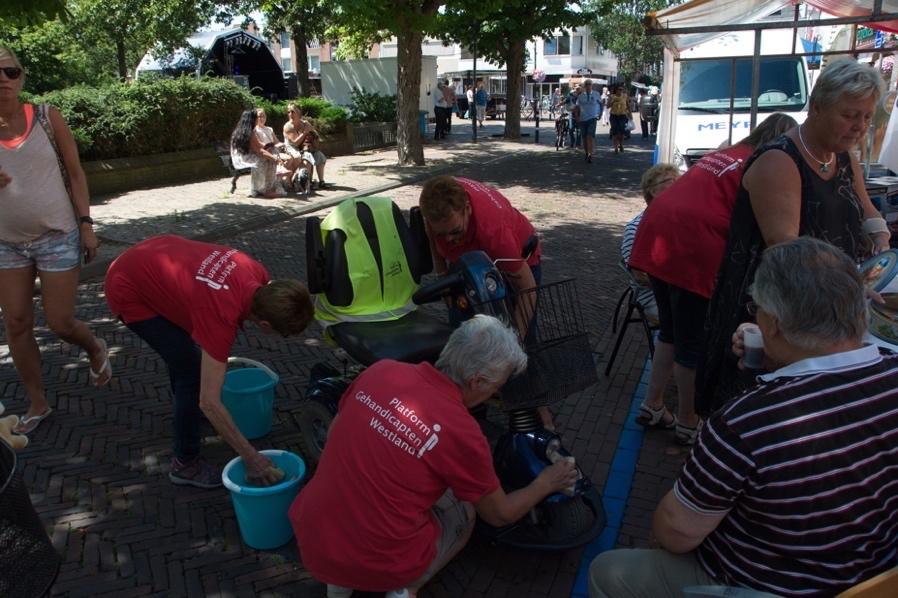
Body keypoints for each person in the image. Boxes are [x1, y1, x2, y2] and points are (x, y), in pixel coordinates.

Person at [589, 237, 898, 598]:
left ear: (776, 324)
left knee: (609, 571)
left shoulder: (744, 423)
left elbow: (676, 532)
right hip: (870, 578)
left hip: (764, 585)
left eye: (758, 309)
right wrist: (778, 359)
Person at [291, 315, 578, 598]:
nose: (497, 393)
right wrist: (545, 483)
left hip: (313, 535)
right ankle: (405, 589)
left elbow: (333, 436)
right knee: (467, 511)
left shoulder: (381, 371)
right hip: (379, 563)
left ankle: (339, 587)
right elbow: (499, 514)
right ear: (477, 381)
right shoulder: (463, 432)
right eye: (497, 386)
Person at [697, 58, 888, 416]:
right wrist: (849, 286)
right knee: (765, 407)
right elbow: (787, 249)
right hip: (778, 305)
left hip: (825, 298)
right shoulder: (779, 161)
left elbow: (865, 208)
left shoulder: (842, 157)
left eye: (866, 116)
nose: (860, 126)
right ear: (816, 106)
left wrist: (881, 240)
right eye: (850, 115)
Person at [629, 114, 797, 445]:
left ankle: (652, 404)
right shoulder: (764, 164)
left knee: (671, 332)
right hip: (691, 247)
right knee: (692, 344)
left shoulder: (725, 154)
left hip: (659, 235)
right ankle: (688, 421)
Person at [104, 235, 314, 488]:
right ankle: (185, 464)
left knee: (184, 360)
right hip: (127, 285)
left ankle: (187, 411)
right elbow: (210, 402)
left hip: (156, 259)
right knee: (191, 373)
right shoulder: (220, 316)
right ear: (265, 324)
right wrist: (251, 457)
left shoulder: (258, 273)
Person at [0, 46, 112, 435]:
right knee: (15, 322)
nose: (4, 79)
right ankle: (37, 402)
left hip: (57, 235)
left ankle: (94, 348)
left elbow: (77, 174)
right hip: (6, 241)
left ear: (21, 77)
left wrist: (85, 223)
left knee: (61, 322)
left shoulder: (47, 117)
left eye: (11, 72)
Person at [418, 176, 555, 430]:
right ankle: (466, 407)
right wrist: (442, 275)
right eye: (443, 234)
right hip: (468, 266)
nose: (450, 240)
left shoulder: (494, 231)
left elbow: (527, 287)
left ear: (466, 209)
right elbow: (433, 240)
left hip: (514, 262)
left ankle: (541, 411)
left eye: (455, 232)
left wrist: (512, 342)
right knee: (462, 338)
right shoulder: (435, 214)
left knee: (523, 343)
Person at [620, 163, 680, 321]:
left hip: (678, 293)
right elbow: (640, 277)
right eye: (670, 180)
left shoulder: (680, 222)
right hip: (655, 297)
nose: (677, 183)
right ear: (652, 191)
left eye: (679, 179)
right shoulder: (636, 228)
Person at [231, 108, 285, 198]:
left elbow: (260, 146)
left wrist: (269, 147)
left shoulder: (248, 130)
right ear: (251, 119)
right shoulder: (249, 132)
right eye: (256, 117)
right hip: (242, 158)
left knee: (269, 156)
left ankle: (268, 187)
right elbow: (259, 151)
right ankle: (262, 189)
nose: (258, 119)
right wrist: (275, 158)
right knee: (264, 160)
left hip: (247, 155)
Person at [255, 108, 302, 190]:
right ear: (255, 118)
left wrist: (283, 145)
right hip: (265, 152)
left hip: (274, 151)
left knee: (291, 158)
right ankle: (281, 180)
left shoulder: (269, 129)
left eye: (263, 116)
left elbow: (276, 142)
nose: (261, 118)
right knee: (287, 159)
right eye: (259, 116)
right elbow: (259, 144)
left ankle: (284, 180)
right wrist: (271, 146)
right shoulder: (255, 130)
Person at [283, 103, 327, 191]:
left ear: (299, 113)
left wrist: (313, 136)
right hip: (293, 149)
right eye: (288, 112)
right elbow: (295, 143)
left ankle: (321, 181)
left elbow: (316, 136)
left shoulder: (305, 123)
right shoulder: (288, 126)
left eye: (293, 111)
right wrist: (305, 132)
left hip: (305, 148)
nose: (290, 114)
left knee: (320, 156)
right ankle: (306, 182)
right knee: (307, 158)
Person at [575, 79, 602, 163]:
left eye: (589, 84)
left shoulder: (596, 94)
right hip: (583, 118)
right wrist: (577, 117)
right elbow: (577, 107)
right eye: (586, 84)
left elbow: (601, 104)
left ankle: (590, 153)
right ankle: (586, 152)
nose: (588, 86)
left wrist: (600, 114)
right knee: (584, 137)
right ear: (584, 86)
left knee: (589, 136)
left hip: (592, 118)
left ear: (591, 85)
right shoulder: (580, 96)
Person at [608, 85, 630, 154]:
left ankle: (620, 144)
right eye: (619, 89)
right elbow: (608, 106)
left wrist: (630, 114)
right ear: (616, 90)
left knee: (621, 131)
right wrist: (613, 101)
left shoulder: (625, 96)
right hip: (614, 115)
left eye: (621, 89)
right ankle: (615, 148)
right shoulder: (612, 96)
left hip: (622, 115)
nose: (620, 91)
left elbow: (628, 105)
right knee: (615, 132)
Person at [565, 84, 582, 149]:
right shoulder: (570, 95)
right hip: (572, 114)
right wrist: (560, 104)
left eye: (578, 88)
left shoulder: (582, 95)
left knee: (579, 130)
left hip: (580, 115)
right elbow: (566, 101)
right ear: (574, 88)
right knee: (571, 129)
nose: (577, 89)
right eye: (576, 88)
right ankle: (572, 142)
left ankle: (578, 144)